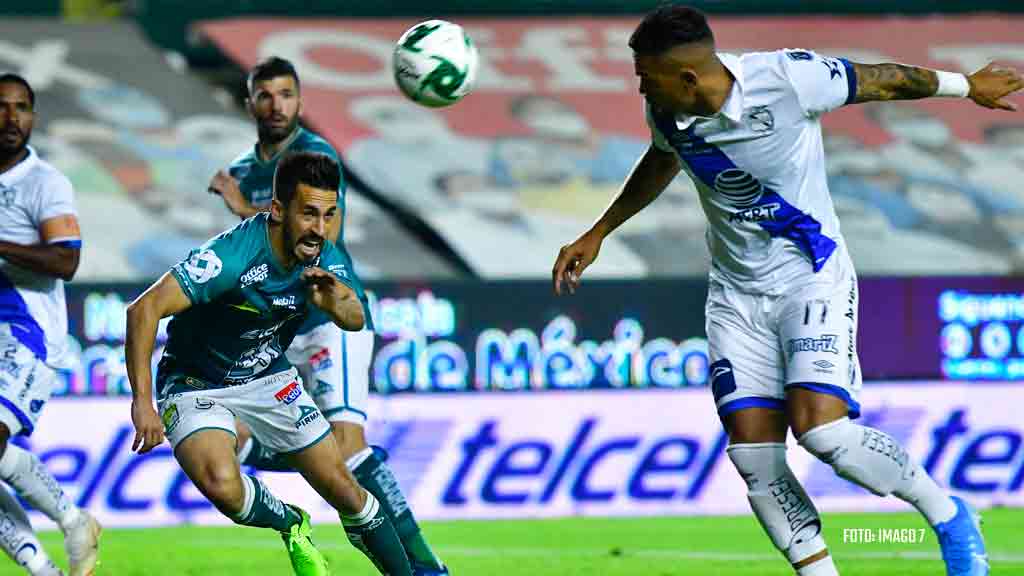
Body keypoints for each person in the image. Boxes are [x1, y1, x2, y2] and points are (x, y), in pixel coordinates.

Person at [551, 7, 1023, 576]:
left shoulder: (786, 79)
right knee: (754, 457)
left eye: (646, 75)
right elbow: (663, 158)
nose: (640, 86)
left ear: (689, 77)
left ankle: (947, 513)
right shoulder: (666, 112)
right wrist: (600, 231)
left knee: (824, 433)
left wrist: (967, 86)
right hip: (735, 295)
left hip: (810, 274)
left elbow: (884, 80)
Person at [207, 57, 446, 575]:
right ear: (249, 102)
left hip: (327, 316)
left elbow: (319, 241)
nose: (276, 105)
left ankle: (425, 567)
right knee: (237, 441)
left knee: (346, 447)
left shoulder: (315, 155)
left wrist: (239, 209)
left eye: (287, 94)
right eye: (265, 95)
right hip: (274, 329)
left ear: (300, 101)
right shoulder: (243, 171)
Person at [128, 151, 413, 576]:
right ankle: (291, 522)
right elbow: (144, 310)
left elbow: (354, 319)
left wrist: (334, 299)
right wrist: (143, 403)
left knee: (346, 492)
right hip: (194, 383)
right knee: (223, 487)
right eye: (309, 214)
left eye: (329, 215)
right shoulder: (232, 257)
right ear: (278, 210)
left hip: (266, 375)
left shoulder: (326, 258)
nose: (320, 229)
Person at [0, 73, 101, 576]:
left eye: (20, 108)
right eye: (2, 107)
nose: (10, 118)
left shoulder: (44, 184)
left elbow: (66, 261)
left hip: (28, 333)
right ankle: (44, 565)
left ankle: (68, 517)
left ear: (32, 117)